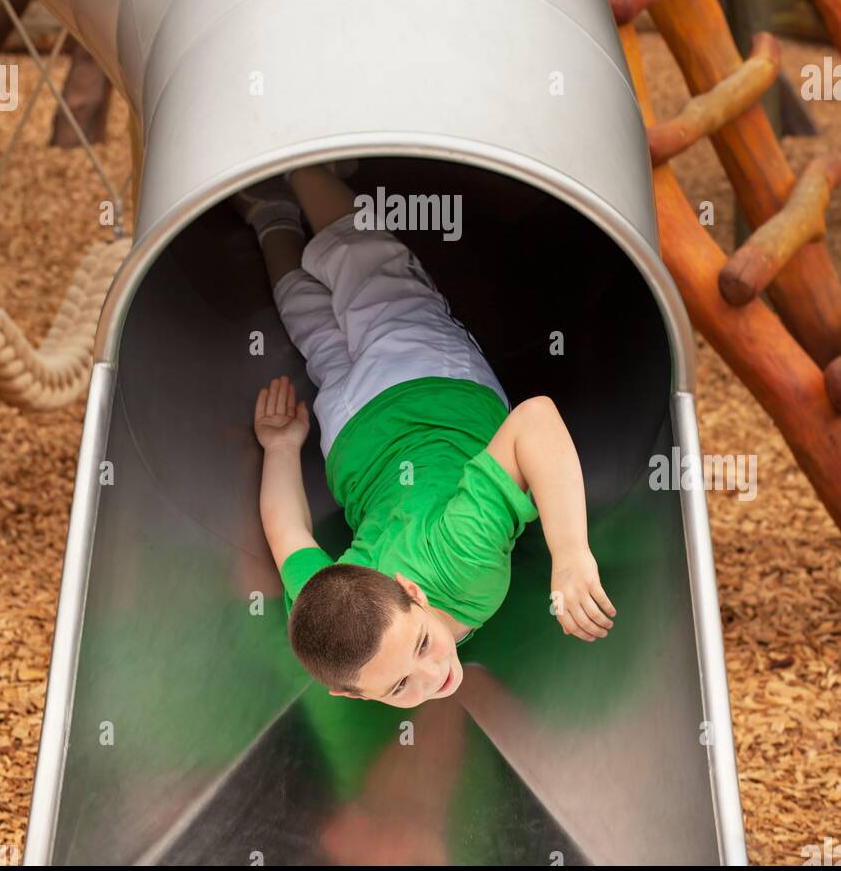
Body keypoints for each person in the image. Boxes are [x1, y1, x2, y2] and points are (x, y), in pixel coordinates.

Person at [234, 164, 616, 710]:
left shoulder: (464, 560)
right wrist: (282, 447)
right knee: (311, 320)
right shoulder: (329, 607)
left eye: (419, 644)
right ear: (346, 692)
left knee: (367, 264)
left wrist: (571, 551)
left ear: (412, 593)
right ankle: (270, 216)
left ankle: (299, 160)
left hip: (426, 382)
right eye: (398, 686)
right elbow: (288, 533)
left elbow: (536, 419)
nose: (431, 673)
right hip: (347, 428)